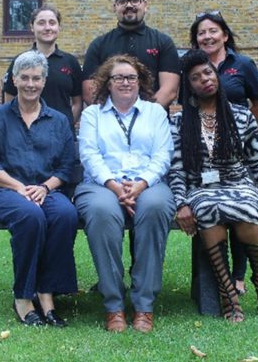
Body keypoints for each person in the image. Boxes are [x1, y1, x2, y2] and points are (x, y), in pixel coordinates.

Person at [169, 49, 258, 322]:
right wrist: (181, 203)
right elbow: (177, 169)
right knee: (208, 208)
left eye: (208, 72)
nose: (205, 79)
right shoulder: (180, 122)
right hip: (200, 188)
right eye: (196, 77)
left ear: (216, 75)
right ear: (189, 85)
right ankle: (228, 294)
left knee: (246, 207)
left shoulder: (242, 116)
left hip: (238, 182)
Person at [75, 54, 175, 333]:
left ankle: (144, 306)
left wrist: (141, 184)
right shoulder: (92, 114)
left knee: (155, 207)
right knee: (101, 211)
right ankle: (114, 305)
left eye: (131, 77)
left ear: (140, 81)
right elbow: (90, 155)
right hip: (101, 185)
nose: (125, 82)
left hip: (149, 184)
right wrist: (115, 186)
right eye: (118, 77)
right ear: (107, 83)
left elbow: (163, 155)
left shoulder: (155, 113)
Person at [0, 50, 78, 327]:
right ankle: (23, 296)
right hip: (2, 191)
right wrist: (19, 187)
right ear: (14, 79)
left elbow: (67, 166)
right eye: (25, 78)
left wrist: (45, 187)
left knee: (65, 214)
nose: (31, 84)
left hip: (47, 190)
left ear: (44, 81)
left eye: (36, 78)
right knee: (30, 216)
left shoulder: (58, 120)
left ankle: (47, 295)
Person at [190, 10, 258, 294]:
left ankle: (239, 275)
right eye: (201, 33)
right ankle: (223, 282)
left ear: (224, 35)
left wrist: (238, 135)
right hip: (207, 160)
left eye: (213, 31)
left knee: (242, 206)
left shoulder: (243, 65)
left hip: (238, 156)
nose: (207, 36)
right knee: (219, 205)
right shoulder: (192, 69)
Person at [82, 0, 180, 109]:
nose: (129, 5)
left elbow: (169, 90)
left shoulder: (163, 42)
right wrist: (115, 116)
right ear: (114, 7)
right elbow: (90, 93)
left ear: (145, 5)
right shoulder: (98, 45)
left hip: (152, 124)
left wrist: (144, 116)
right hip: (110, 125)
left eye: (135, 0)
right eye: (122, 1)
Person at [3, 4, 82, 129]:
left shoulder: (71, 62)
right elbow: (9, 100)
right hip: (27, 136)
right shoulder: (20, 62)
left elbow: (78, 102)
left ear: (59, 27)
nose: (47, 27)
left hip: (62, 137)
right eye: (41, 23)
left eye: (52, 23)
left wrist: (65, 126)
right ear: (32, 27)